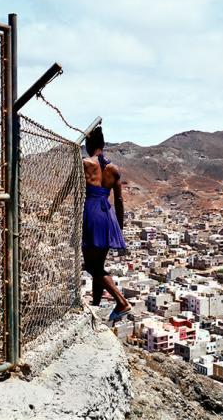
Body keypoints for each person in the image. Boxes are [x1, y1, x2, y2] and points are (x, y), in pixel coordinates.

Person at [81, 126, 131, 322]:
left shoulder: (85, 163)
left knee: (92, 267)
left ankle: (122, 302)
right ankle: (95, 306)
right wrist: (119, 226)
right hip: (107, 215)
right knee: (98, 266)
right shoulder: (114, 169)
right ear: (102, 144)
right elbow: (119, 201)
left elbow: (70, 188)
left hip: (92, 214)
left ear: (88, 144)